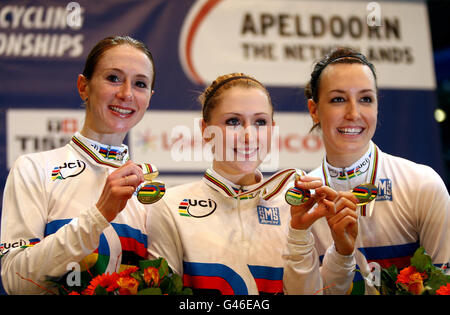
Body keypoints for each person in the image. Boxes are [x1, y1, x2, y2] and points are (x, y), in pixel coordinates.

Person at [146, 73, 359, 295]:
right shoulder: (170, 206)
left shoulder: (299, 205)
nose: (249, 137)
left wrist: (342, 253)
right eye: (233, 122)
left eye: (260, 122)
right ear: (205, 130)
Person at [0, 35, 156, 294]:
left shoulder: (153, 192)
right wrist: (98, 216)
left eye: (139, 84)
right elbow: (15, 282)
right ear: (84, 87)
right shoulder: (34, 169)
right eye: (113, 78)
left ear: (149, 98)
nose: (126, 93)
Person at [304, 47, 450, 294]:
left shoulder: (422, 184)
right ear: (314, 110)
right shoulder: (301, 200)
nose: (354, 113)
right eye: (338, 99)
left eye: (365, 99)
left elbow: (445, 284)